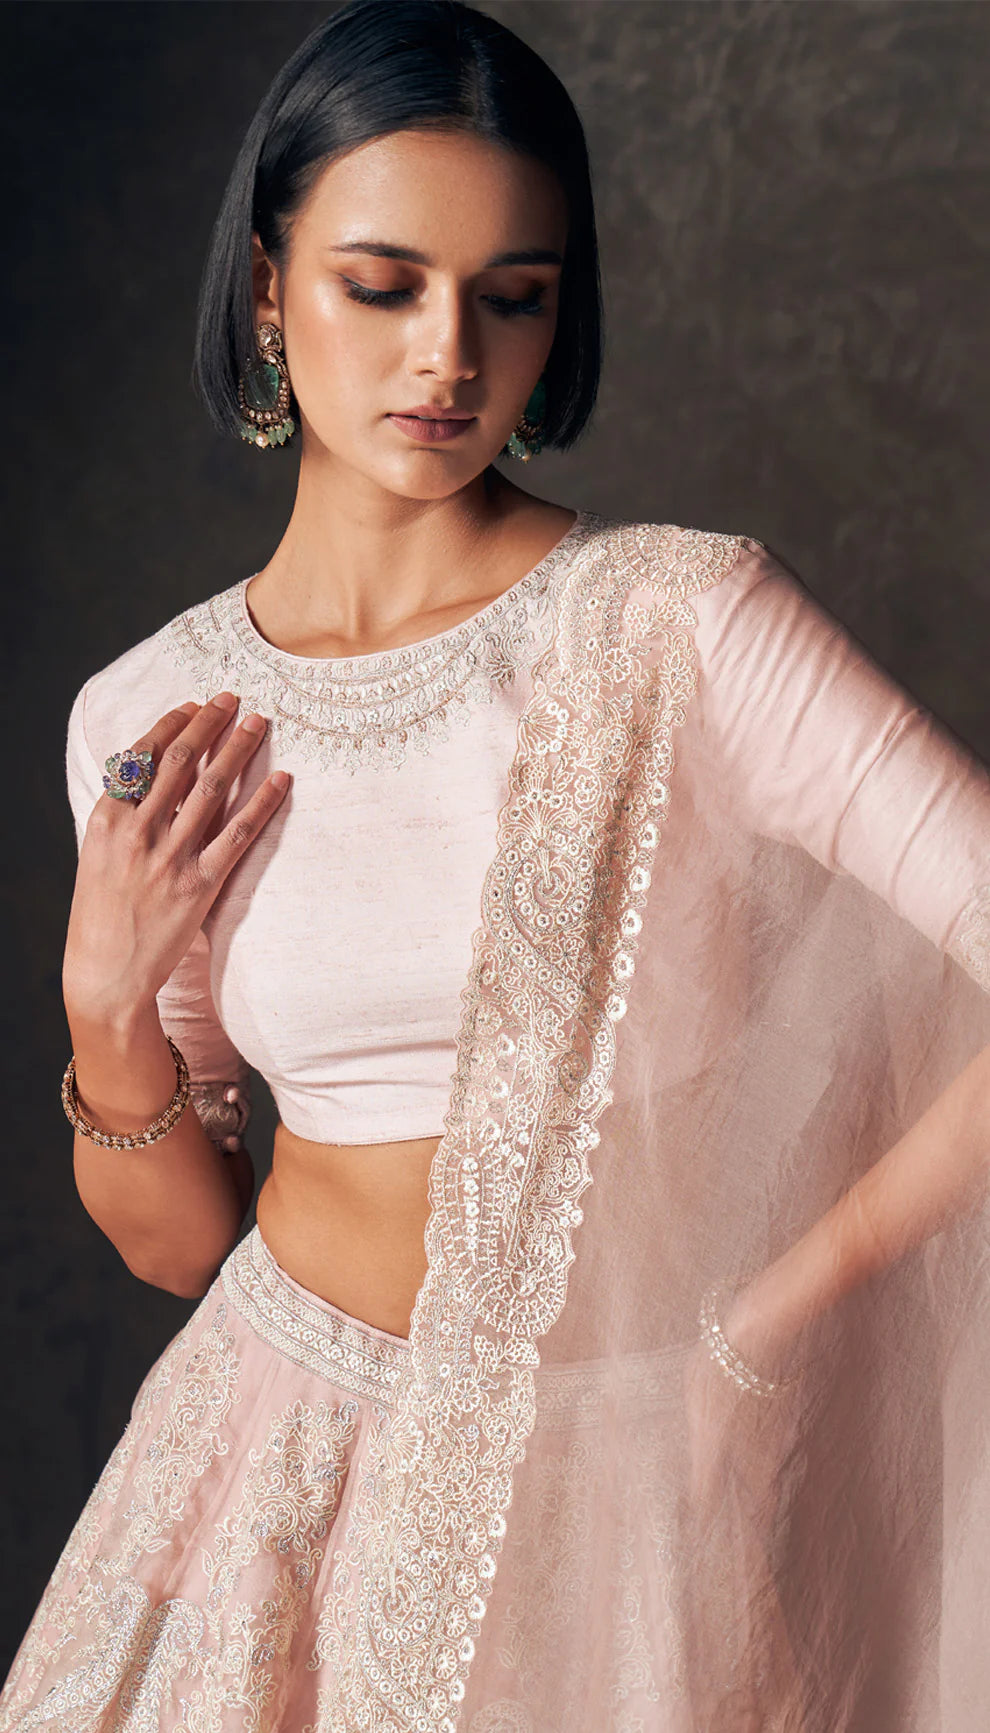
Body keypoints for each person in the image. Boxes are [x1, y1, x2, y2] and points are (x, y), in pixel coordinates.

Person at [3, 2, 990, 1728]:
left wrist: (764, 1322)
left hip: (604, 1480)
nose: (445, 355)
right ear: (264, 286)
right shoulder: (146, 714)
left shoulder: (675, 623)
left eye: (510, 294)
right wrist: (105, 1002)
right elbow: (180, 1243)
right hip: (267, 1474)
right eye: (380, 285)